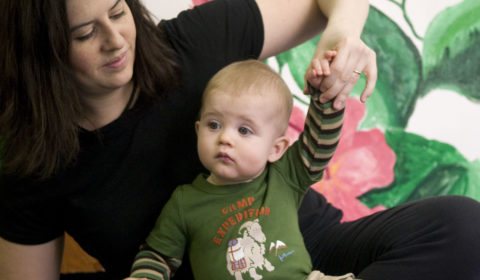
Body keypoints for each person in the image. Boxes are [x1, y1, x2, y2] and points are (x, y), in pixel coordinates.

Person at [0, 0, 479, 280]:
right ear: (40, 52)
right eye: (86, 33)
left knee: (462, 227)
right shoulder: (31, 163)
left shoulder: (191, 42)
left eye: (119, 11)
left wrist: (342, 34)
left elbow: (328, 6)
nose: (116, 39)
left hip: (314, 251)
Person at [126, 58, 358, 280]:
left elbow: (318, 145)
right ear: (198, 130)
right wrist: (144, 276)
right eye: (214, 125)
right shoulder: (184, 202)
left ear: (275, 149)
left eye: (244, 130)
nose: (225, 137)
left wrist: (326, 98)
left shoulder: (283, 176)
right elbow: (159, 255)